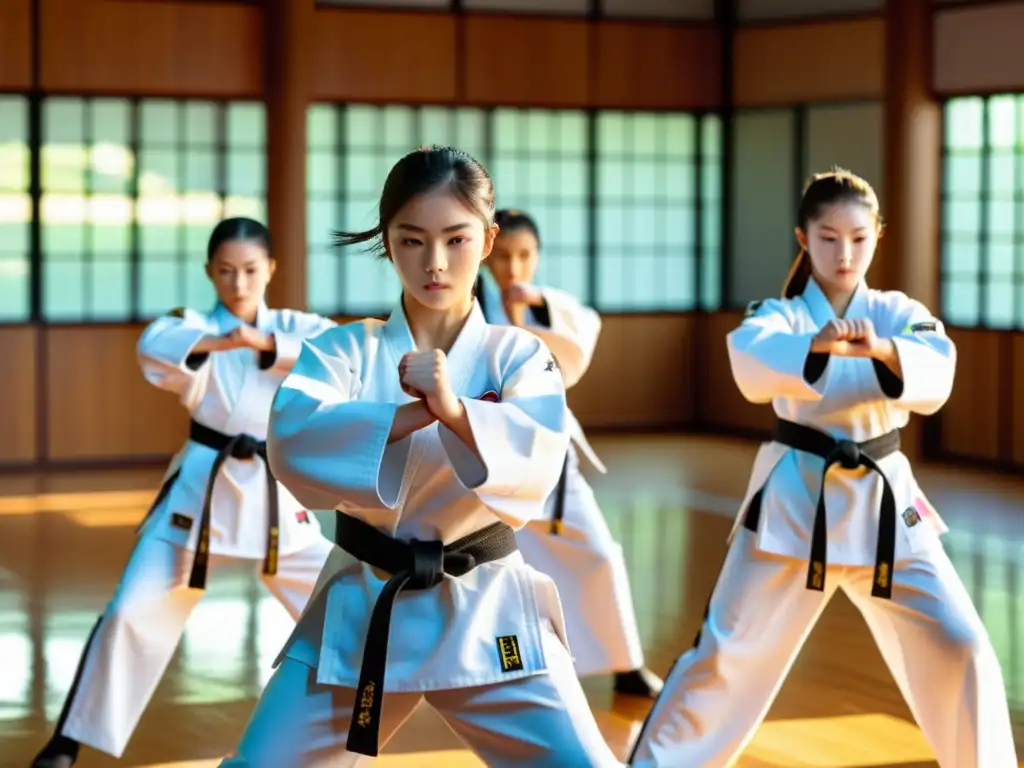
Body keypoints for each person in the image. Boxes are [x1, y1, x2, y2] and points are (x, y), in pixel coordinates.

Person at [219, 146, 623, 767]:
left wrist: (456, 408)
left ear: (487, 240)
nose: (434, 263)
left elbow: (538, 460)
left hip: (488, 608)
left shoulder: (519, 354)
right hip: (364, 604)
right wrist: (412, 413)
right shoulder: (343, 349)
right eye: (411, 241)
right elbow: (293, 440)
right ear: (387, 242)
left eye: (455, 240)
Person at [627, 169, 1017, 768]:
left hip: (887, 509)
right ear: (803, 239)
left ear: (878, 237)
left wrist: (884, 350)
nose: (845, 253)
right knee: (727, 657)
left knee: (961, 645)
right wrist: (817, 345)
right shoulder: (779, 315)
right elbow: (750, 359)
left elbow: (936, 367)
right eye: (829, 238)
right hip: (793, 505)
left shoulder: (897, 312)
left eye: (859, 238)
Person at [32, 217, 339, 768]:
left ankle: (368, 713)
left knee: (341, 605)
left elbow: (335, 351)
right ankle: (67, 741)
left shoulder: (295, 325)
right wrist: (226, 340)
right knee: (130, 610)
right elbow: (156, 346)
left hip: (274, 492)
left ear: (271, 269)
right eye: (226, 272)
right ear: (209, 272)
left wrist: (263, 341)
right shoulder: (194, 325)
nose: (239, 284)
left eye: (250, 270)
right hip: (202, 488)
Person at [476, 208, 661, 697]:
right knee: (501, 573)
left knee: (599, 553)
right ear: (487, 254)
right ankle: (510, 669)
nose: (513, 267)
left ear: (536, 257)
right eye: (504, 256)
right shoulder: (468, 304)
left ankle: (626, 663)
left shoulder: (551, 307)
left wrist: (533, 307)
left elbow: (578, 350)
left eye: (524, 256)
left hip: (550, 453)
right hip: (491, 461)